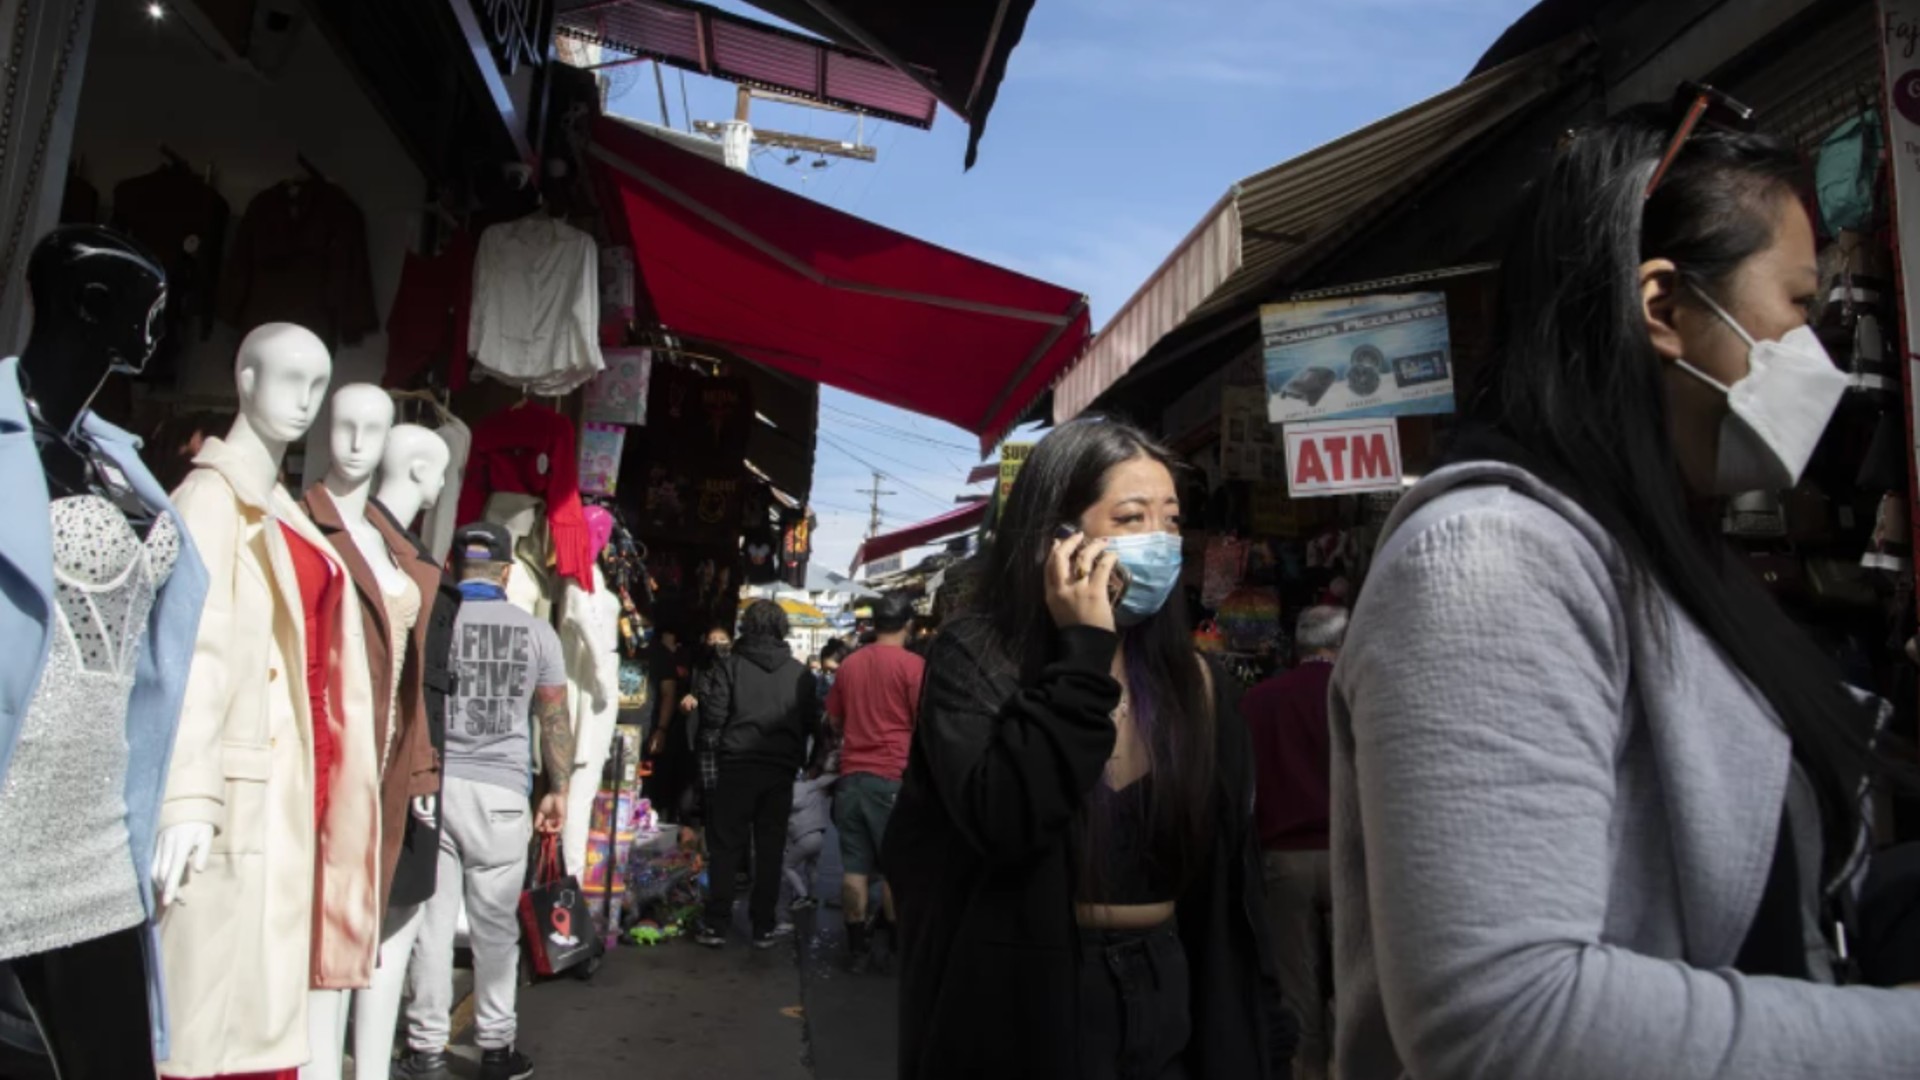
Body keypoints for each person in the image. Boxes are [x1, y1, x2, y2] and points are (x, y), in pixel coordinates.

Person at [1330, 100, 1920, 1080]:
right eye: (1799, 306)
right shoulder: (1488, 560)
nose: (1816, 357)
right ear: (1663, 309)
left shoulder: (1662, 561)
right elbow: (1506, 1019)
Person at [885, 417, 1289, 1079]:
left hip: (1169, 996)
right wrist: (1083, 653)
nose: (1159, 541)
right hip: (1026, 1004)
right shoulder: (977, 658)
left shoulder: (1199, 685)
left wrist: (1265, 1029)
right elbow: (1007, 817)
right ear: (1059, 538)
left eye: (1170, 520)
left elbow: (1233, 890)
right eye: (1130, 518)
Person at [398, 523, 572, 1080]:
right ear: (506, 573)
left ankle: (424, 1050)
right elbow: (554, 718)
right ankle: (496, 1050)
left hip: (436, 786)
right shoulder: (536, 632)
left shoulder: (434, 622)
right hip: (500, 795)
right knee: (495, 928)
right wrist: (559, 790)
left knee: (432, 922)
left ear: (454, 566)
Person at [1243, 605, 1346, 1080]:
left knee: (1295, 987)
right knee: (1354, 983)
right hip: (1349, 861)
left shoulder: (1260, 700)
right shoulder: (1353, 693)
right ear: (1342, 645)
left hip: (1281, 860)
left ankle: (1304, 1071)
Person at [694, 600, 821, 948]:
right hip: (780, 769)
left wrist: (717, 749)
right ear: (782, 628)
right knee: (770, 847)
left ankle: (716, 923)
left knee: (725, 846)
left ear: (746, 627)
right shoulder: (800, 674)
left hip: (736, 766)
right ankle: (763, 924)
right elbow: (812, 723)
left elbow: (713, 718)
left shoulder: (730, 666)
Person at [825, 592, 924, 969]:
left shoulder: (849, 665)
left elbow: (834, 720)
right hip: (893, 778)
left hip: (851, 777)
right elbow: (924, 723)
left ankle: (856, 949)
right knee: (896, 869)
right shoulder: (914, 667)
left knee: (854, 868)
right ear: (908, 625)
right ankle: (898, 949)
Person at [784, 768, 836, 915]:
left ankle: (802, 896)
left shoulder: (786, 795)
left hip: (803, 838)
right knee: (811, 868)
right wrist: (838, 771)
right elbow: (824, 780)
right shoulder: (811, 788)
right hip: (819, 836)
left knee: (788, 866)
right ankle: (813, 896)